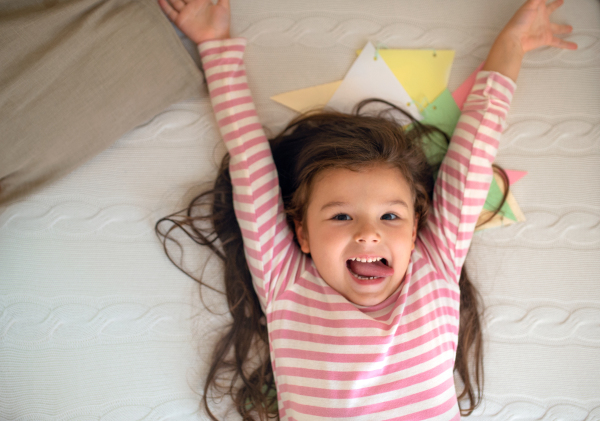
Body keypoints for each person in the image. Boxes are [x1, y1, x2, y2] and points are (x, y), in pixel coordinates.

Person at [156, 0, 577, 419]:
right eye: (341, 216)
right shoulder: (285, 284)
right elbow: (250, 164)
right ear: (301, 233)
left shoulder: (435, 265)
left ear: (415, 231)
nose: (368, 233)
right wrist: (215, 46)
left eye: (390, 216)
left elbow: (472, 157)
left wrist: (512, 45)